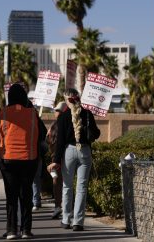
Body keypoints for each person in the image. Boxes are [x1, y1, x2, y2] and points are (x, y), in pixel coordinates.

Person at [0, 83, 47, 240]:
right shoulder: (32, 113)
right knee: (26, 195)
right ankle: (26, 230)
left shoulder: (3, 113)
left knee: (11, 196)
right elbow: (42, 133)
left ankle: (12, 230)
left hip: (8, 159)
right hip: (29, 159)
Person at [48, 88, 100, 231]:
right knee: (81, 188)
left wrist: (56, 160)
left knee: (67, 186)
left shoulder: (63, 117)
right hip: (84, 151)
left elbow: (60, 141)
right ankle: (78, 222)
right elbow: (96, 134)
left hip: (69, 151)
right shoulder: (88, 113)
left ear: (67, 100)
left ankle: (66, 219)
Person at [46, 101, 67, 219]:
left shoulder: (55, 125)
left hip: (57, 157)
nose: (56, 112)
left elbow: (48, 141)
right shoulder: (58, 124)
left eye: (58, 110)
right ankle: (61, 207)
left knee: (57, 182)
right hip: (61, 157)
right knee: (63, 182)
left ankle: (58, 207)